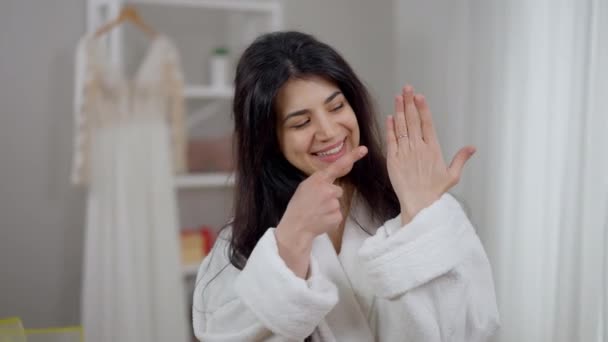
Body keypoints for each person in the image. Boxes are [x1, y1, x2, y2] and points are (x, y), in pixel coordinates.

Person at [192, 31, 499, 342]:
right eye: (301, 123)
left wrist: (421, 220)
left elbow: (474, 329)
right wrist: (291, 240)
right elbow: (222, 334)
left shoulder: (416, 208)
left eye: (337, 106)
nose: (328, 131)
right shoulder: (241, 243)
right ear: (270, 140)